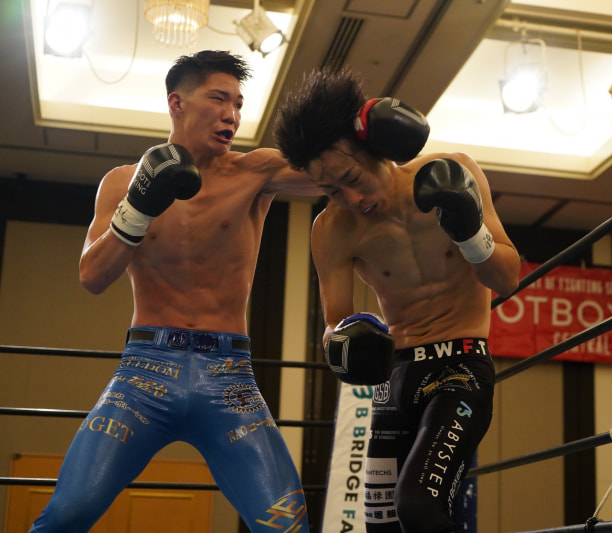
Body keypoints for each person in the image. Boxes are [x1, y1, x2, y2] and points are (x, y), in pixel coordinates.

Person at [29, 50, 319, 533]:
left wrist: (363, 128)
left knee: (286, 527)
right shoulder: (122, 182)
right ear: (177, 103)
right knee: (67, 515)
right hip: (145, 373)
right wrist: (139, 207)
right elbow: (92, 277)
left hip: (229, 378)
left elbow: (338, 176)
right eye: (219, 98)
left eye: (238, 104)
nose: (232, 114)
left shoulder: (256, 172)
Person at [274, 67, 521, 533]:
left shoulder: (454, 173)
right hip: (396, 379)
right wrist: (344, 343)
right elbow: (335, 326)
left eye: (352, 177)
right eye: (332, 190)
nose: (352, 197)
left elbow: (507, 279)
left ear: (376, 145)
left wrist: (469, 232)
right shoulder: (331, 230)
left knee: (419, 506)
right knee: (382, 525)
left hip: (462, 367)